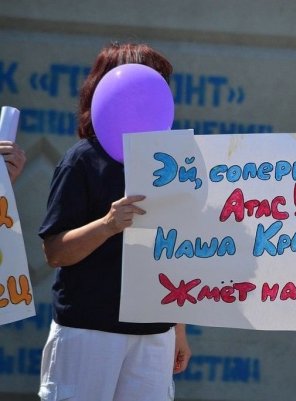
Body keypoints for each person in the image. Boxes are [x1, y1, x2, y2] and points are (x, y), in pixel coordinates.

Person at [38, 42, 191, 401]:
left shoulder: (172, 163)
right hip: (89, 329)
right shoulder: (81, 161)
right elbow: (55, 252)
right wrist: (107, 224)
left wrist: (178, 329)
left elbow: (179, 250)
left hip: (153, 332)